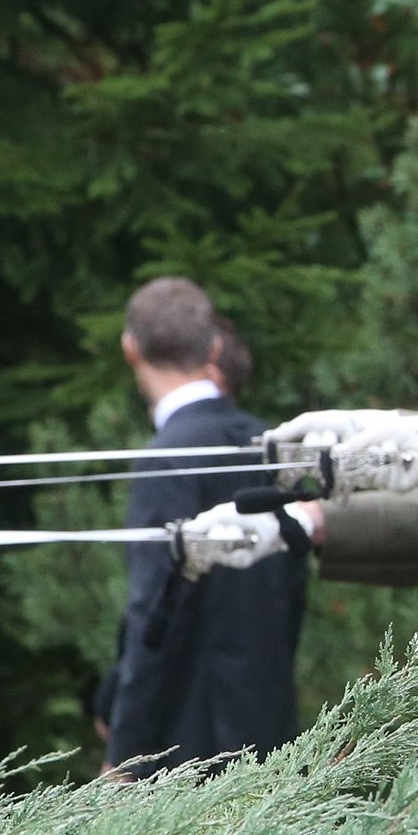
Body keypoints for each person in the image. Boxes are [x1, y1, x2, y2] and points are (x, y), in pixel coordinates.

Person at [98, 276, 304, 773]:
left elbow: (154, 613)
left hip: (186, 747)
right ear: (213, 347)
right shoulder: (273, 446)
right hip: (275, 733)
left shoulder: (166, 460)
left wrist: (126, 753)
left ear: (130, 349)